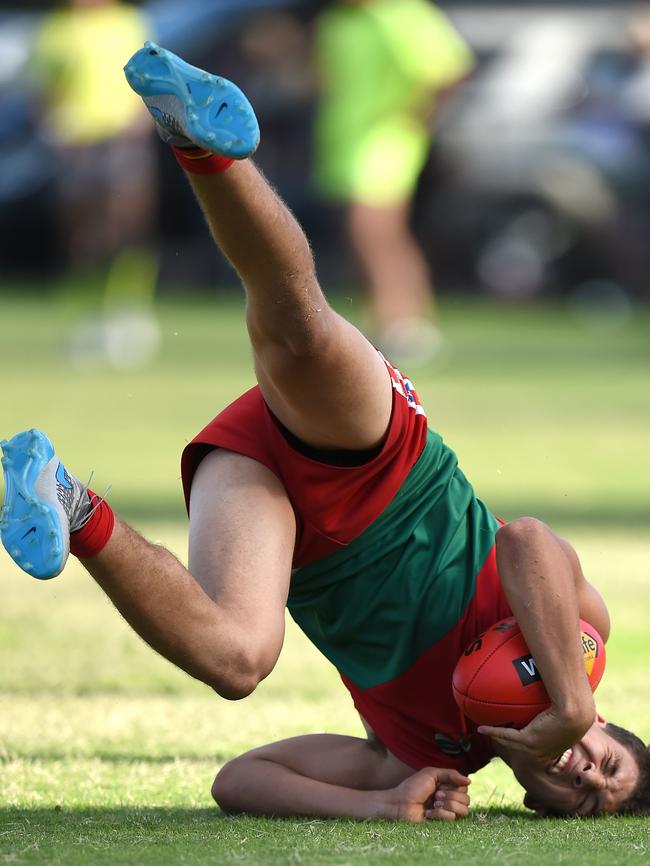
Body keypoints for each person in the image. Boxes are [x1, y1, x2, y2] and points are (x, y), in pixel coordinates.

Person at [2, 43, 648, 821]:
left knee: (238, 661)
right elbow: (528, 542)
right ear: (610, 728)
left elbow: (237, 780)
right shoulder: (583, 646)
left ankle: (62, 500)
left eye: (582, 797)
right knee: (300, 333)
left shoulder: (429, 754)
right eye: (607, 765)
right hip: (389, 470)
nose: (582, 772)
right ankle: (198, 140)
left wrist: (378, 807)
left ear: (540, 801)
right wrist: (569, 700)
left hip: (288, 526)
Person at [313, 0, 474, 362]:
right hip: (344, 144)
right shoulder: (337, 23)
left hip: (386, 142)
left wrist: (418, 119)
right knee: (368, 236)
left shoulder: (403, 14)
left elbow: (449, 71)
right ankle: (386, 321)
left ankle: (405, 323)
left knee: (373, 230)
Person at [33, 0, 159, 368]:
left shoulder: (128, 22)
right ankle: (84, 318)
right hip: (78, 145)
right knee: (82, 236)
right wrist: (53, 127)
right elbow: (47, 90)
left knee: (128, 227)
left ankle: (127, 314)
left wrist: (142, 118)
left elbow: (149, 80)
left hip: (121, 140)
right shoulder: (57, 29)